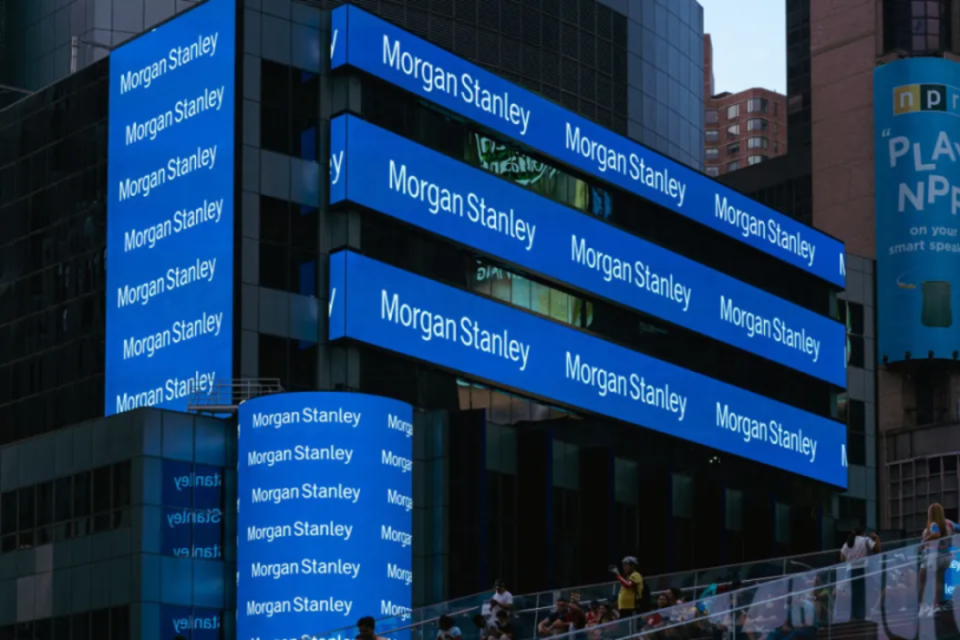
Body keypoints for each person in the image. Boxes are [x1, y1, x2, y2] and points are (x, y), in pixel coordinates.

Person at [918, 502, 959, 616]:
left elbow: (936, 534)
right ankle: (935, 605)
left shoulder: (932, 524)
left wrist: (925, 540)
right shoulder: (949, 523)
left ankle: (922, 606)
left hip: (932, 556)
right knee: (938, 581)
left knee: (923, 581)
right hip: (945, 556)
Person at [839, 526, 880, 620]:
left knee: (853, 594)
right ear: (863, 533)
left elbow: (842, 558)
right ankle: (864, 614)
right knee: (864, 592)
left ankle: (854, 616)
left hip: (850, 571)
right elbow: (877, 549)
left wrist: (850, 560)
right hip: (863, 569)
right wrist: (876, 538)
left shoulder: (848, 543)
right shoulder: (865, 540)